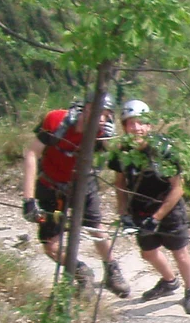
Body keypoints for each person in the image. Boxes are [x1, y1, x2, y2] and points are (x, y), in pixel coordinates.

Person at [21, 96, 127, 295]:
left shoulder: (104, 135)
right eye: (99, 112)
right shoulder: (55, 121)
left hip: (83, 184)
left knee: (97, 229)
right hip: (50, 185)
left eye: (107, 115)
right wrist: (28, 199)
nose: (103, 119)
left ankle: (112, 270)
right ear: (86, 108)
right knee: (51, 244)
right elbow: (32, 153)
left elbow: (112, 164)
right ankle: (81, 272)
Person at [108, 99, 190, 316]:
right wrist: (123, 213)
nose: (137, 128)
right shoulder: (121, 152)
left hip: (169, 208)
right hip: (140, 207)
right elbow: (120, 183)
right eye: (131, 123)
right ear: (124, 126)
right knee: (148, 252)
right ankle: (169, 281)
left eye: (141, 123)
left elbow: (178, 188)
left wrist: (158, 217)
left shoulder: (163, 149)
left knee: (180, 251)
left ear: (149, 125)